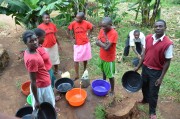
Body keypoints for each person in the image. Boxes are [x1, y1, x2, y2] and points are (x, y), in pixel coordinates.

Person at [134, 20, 173, 119]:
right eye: (156, 26)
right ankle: (145, 100)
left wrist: (161, 78)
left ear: (165, 28)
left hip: (156, 71)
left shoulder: (168, 43)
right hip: (145, 68)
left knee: (153, 92)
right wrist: (138, 67)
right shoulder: (148, 38)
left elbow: (168, 62)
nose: (158, 28)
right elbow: (144, 54)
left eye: (160, 26)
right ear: (154, 28)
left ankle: (152, 112)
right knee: (144, 86)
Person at [22, 30, 60, 112]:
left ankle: (51, 107)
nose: (35, 42)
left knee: (48, 99)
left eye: (35, 39)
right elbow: (33, 81)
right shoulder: (32, 59)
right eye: (31, 41)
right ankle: (51, 110)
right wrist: (36, 100)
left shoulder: (32, 50)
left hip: (44, 81)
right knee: (46, 103)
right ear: (26, 43)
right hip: (42, 85)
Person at [34, 28, 61, 101]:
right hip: (45, 72)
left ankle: (52, 96)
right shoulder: (36, 50)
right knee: (48, 88)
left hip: (49, 69)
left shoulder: (40, 45)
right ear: (37, 37)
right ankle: (51, 102)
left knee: (52, 85)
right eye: (43, 37)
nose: (44, 39)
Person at [67, 12, 93, 80]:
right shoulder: (73, 23)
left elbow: (92, 27)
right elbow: (68, 30)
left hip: (85, 43)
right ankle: (77, 74)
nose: (76, 19)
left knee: (85, 58)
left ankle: (84, 69)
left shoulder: (86, 23)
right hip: (77, 44)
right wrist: (72, 39)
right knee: (76, 59)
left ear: (82, 19)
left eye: (78, 18)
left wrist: (88, 35)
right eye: (76, 17)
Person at [96, 17, 118, 96]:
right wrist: (103, 44)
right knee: (104, 71)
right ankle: (104, 82)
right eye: (102, 26)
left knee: (110, 75)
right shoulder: (102, 30)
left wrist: (101, 44)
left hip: (109, 59)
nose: (103, 28)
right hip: (102, 56)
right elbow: (97, 42)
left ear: (110, 25)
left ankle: (112, 91)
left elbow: (107, 48)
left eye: (105, 26)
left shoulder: (114, 33)